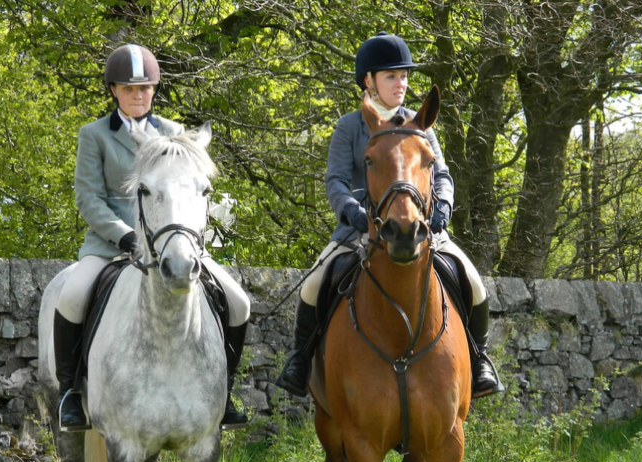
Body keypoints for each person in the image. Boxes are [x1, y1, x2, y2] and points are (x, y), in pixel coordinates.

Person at [274, 32, 503, 399]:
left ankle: (480, 361)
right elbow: (335, 181)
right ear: (369, 81)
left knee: (472, 281)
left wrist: (443, 206)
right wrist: (351, 212)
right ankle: (300, 361)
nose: (401, 84)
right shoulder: (349, 126)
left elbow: (441, 174)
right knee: (313, 284)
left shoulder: (419, 123)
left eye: (404, 76)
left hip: (420, 225)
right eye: (391, 76)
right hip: (359, 231)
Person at [54, 44, 251, 431]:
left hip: (172, 243)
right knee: (71, 296)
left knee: (239, 302)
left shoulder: (175, 134)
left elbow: (191, 192)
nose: (138, 95)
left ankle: (224, 392)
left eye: (144, 88)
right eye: (129, 88)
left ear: (154, 90)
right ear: (114, 90)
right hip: (110, 246)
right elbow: (89, 198)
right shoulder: (94, 135)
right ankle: (70, 394)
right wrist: (125, 236)